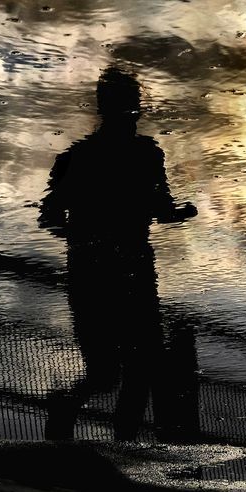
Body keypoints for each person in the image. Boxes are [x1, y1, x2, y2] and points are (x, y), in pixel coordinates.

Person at [39, 66, 197, 442]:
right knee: (134, 367)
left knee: (108, 372)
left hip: (91, 268)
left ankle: (79, 422)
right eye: (134, 102)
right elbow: (162, 208)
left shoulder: (76, 157)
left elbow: (49, 215)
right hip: (130, 268)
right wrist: (181, 214)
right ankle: (118, 439)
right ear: (136, 107)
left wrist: (82, 236)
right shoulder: (146, 153)